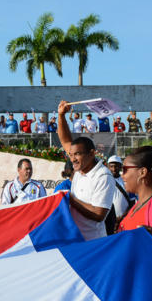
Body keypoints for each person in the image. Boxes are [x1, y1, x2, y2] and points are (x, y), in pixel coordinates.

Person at [57, 100, 116, 240]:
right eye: (71, 155)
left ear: (91, 154)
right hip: (74, 240)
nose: (73, 159)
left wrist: (70, 200)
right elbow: (65, 141)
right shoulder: (80, 168)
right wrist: (61, 116)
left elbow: (98, 214)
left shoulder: (103, 176)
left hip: (92, 243)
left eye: (77, 154)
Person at [108, 155, 133, 226]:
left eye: (116, 166)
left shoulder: (127, 181)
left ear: (120, 167)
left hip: (125, 220)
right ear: (108, 167)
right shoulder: (104, 181)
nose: (114, 169)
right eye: (111, 166)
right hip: (109, 221)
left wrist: (122, 218)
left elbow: (132, 203)